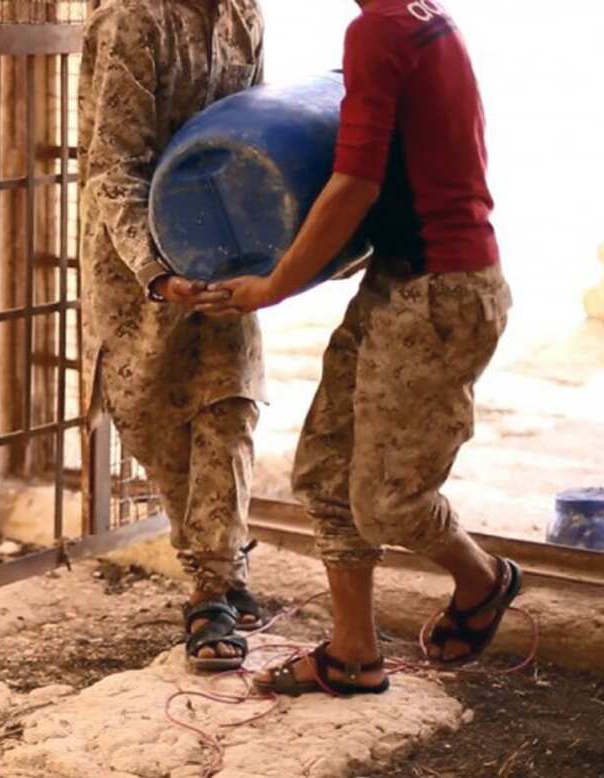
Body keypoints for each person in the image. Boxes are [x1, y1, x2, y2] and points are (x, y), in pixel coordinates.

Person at [195, 0, 521, 695]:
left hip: (440, 291)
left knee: (390, 502)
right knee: (325, 471)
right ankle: (353, 655)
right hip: (401, 281)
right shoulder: (419, 17)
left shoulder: (380, 28)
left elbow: (354, 186)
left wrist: (274, 286)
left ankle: (484, 579)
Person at [79, 0, 268, 671]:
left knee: (229, 405)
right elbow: (113, 166)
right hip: (137, 266)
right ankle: (218, 565)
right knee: (155, 419)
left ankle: (213, 588)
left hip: (226, 251)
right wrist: (158, 273)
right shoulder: (131, 20)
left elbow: (256, 134)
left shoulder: (244, 14)